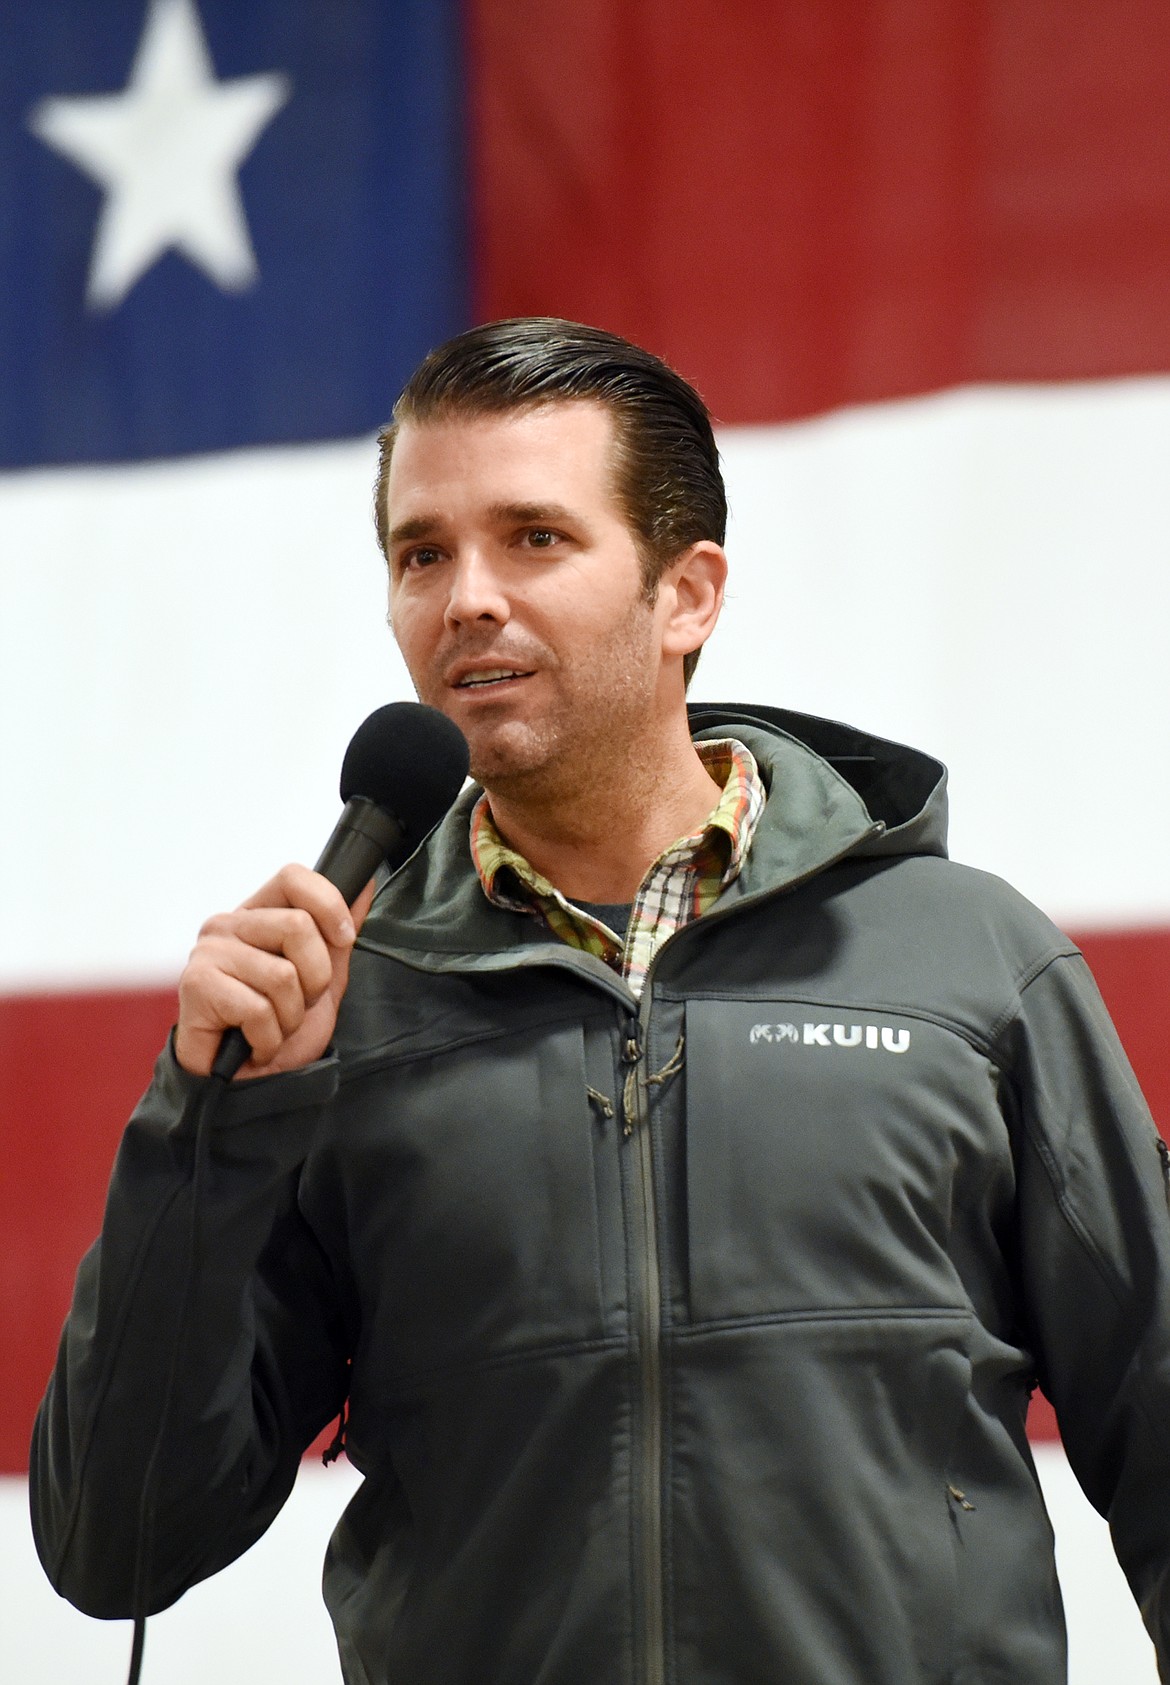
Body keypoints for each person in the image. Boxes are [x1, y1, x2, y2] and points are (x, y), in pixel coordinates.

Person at [31, 318, 1170, 1684]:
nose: (464, 598)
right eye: (421, 553)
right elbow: (119, 1542)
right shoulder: (338, 1018)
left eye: (533, 538)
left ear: (685, 592)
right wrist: (206, 1123)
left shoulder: (971, 961)